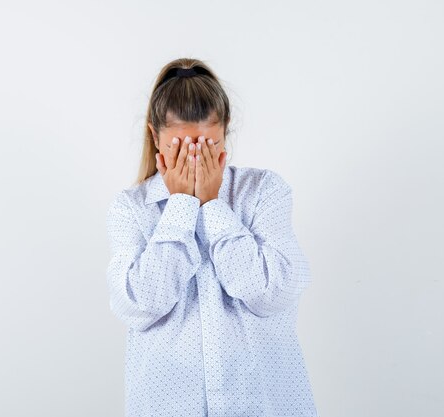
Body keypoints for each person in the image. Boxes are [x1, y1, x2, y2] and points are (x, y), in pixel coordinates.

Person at [105, 57, 318, 417]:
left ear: (226, 133)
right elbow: (142, 304)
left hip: (263, 404)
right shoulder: (131, 209)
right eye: (181, 146)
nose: (194, 157)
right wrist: (182, 206)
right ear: (156, 138)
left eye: (207, 145)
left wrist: (213, 206)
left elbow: (271, 294)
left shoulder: (263, 192)